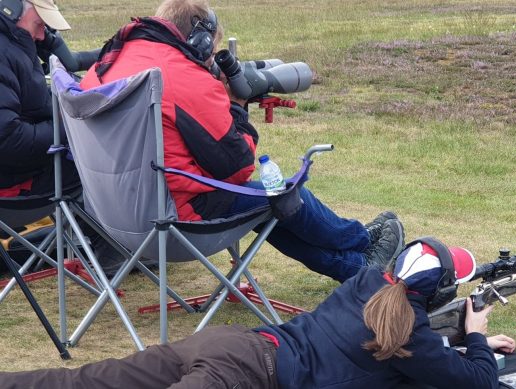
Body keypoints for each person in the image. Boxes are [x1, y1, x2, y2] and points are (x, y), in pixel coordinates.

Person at [79, 0, 403, 282]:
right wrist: (235, 104)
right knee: (280, 193)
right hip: (173, 220)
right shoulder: (185, 79)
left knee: (265, 204)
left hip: (109, 217)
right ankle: (361, 242)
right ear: (201, 40)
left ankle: (357, 268)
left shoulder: (104, 66)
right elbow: (237, 169)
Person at [0, 238, 516, 388]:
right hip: (245, 376)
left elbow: (405, 340)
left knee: (83, 382)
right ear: (437, 293)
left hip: (228, 344)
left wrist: (451, 342)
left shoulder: (367, 284)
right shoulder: (408, 335)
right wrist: (474, 334)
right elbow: (474, 382)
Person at [0, 0, 80, 198]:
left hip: (21, 169)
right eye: (39, 24)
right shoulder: (4, 55)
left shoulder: (15, 45)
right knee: (102, 169)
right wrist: (71, 126)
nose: (43, 35)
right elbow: (9, 140)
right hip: (14, 183)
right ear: (11, 10)